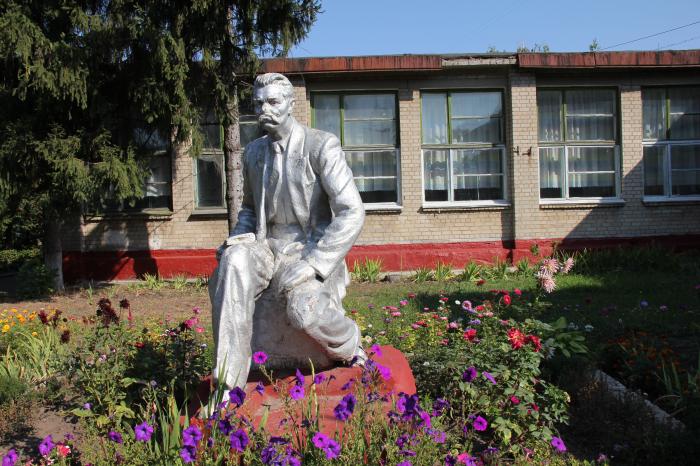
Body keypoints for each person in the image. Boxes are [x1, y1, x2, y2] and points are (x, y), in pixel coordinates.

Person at [208, 73, 365, 393]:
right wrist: (235, 241)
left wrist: (315, 263)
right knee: (233, 261)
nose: (265, 108)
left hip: (309, 247)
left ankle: (350, 344)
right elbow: (250, 212)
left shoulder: (321, 146)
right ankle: (227, 383)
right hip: (267, 245)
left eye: (273, 101)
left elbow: (352, 211)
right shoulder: (253, 153)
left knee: (302, 308)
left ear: (291, 104)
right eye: (258, 103)